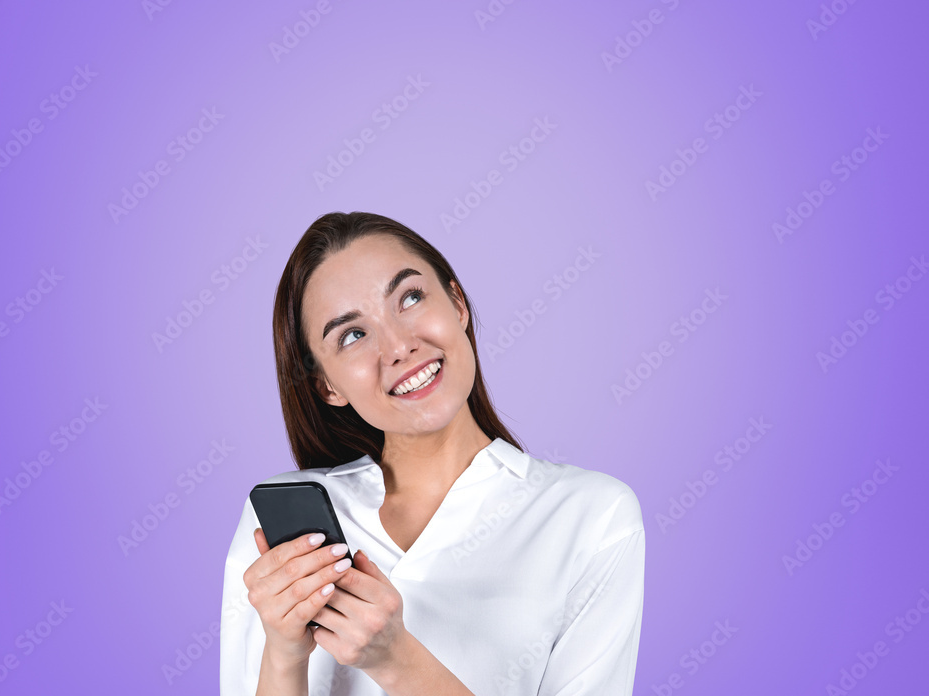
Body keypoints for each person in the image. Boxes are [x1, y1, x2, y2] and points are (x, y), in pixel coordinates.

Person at [220, 211, 645, 695]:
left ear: (457, 304)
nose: (399, 346)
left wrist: (397, 661)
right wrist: (283, 652)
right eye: (353, 335)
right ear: (327, 385)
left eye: (411, 298)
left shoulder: (592, 517)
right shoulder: (278, 533)